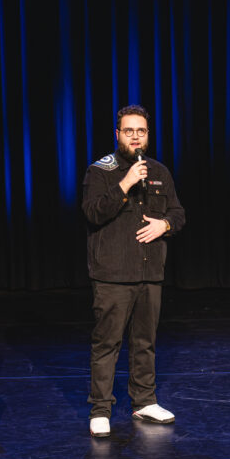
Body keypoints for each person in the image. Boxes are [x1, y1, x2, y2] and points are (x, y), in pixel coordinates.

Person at [81, 104, 186, 437]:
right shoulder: (101, 171)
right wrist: (125, 184)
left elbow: (179, 213)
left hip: (149, 272)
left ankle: (144, 401)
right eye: (129, 131)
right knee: (107, 343)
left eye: (141, 131)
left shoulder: (159, 171)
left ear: (147, 135)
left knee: (145, 342)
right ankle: (100, 409)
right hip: (112, 274)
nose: (136, 137)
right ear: (118, 134)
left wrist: (165, 225)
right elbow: (93, 213)